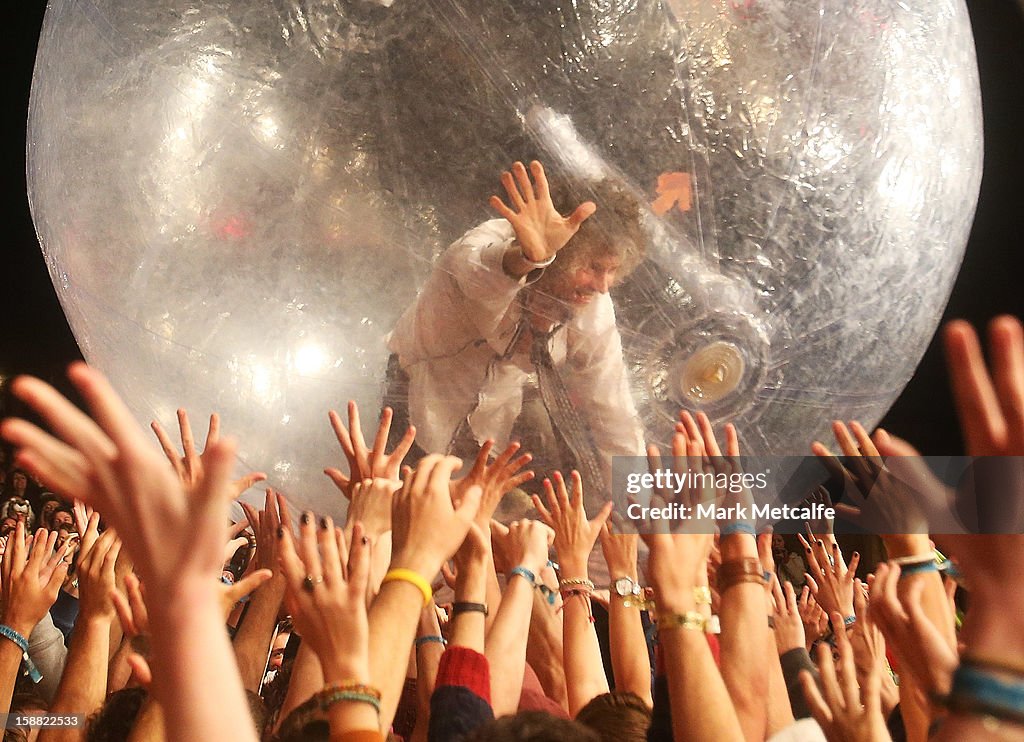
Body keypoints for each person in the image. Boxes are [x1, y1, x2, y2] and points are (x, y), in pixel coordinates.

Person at [386, 160, 647, 499]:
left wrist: (638, 507)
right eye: (594, 267)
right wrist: (527, 258)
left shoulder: (592, 307)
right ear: (567, 251)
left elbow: (613, 408)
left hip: (493, 421)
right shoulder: (489, 243)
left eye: (613, 271)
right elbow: (482, 276)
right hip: (415, 398)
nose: (602, 286)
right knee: (400, 512)